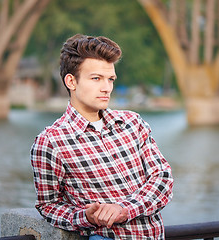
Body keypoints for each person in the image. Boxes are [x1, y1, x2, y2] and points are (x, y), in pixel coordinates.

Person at [30, 34, 174, 240]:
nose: (107, 88)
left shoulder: (133, 123)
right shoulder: (51, 141)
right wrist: (84, 217)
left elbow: (162, 178)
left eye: (110, 79)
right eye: (96, 78)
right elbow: (49, 206)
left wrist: (124, 209)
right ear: (71, 81)